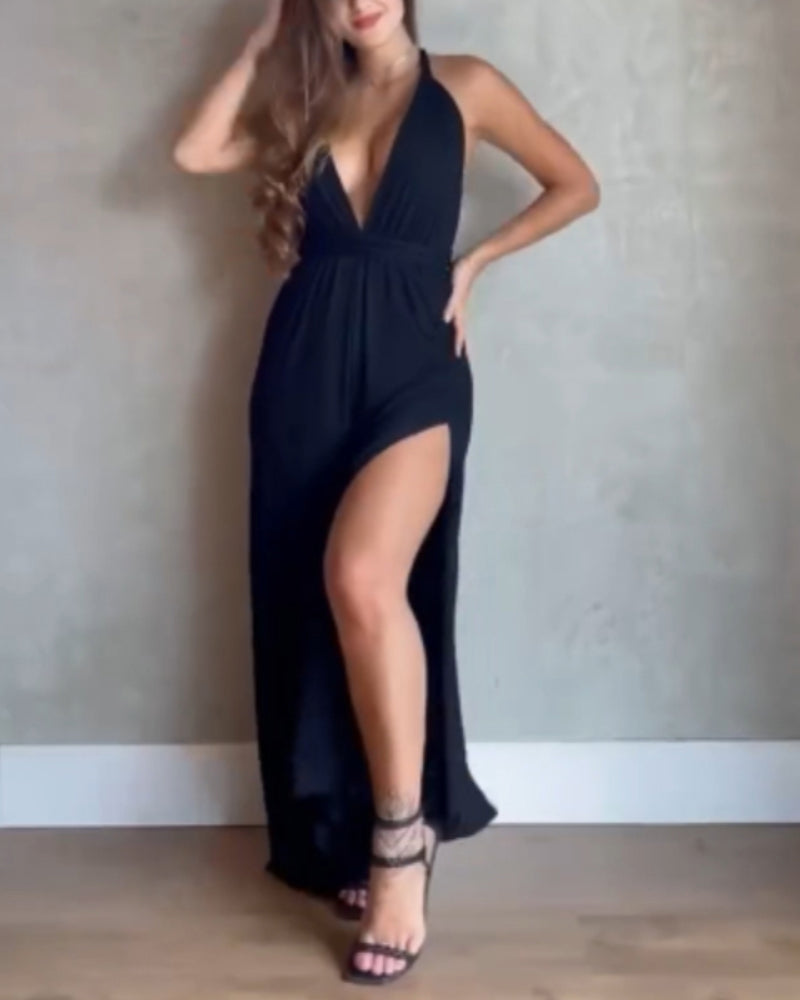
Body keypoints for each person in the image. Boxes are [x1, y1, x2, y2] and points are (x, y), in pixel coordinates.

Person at [173, 0, 599, 986]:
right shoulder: (307, 102)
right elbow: (195, 151)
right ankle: (348, 823)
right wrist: (262, 38)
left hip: (416, 362)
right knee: (316, 598)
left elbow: (576, 184)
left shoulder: (467, 85)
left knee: (364, 578)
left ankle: (401, 844)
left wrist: (476, 261)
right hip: (304, 370)